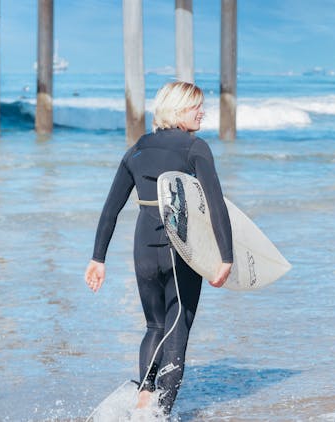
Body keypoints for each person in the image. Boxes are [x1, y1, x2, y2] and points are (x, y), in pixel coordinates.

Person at [84, 81, 234, 415]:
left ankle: (145, 392)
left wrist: (98, 258)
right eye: (197, 106)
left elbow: (111, 209)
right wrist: (226, 256)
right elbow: (215, 205)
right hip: (178, 247)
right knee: (177, 326)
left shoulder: (137, 148)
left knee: (154, 326)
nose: (202, 112)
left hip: (143, 247)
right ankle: (160, 412)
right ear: (179, 110)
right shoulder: (195, 147)